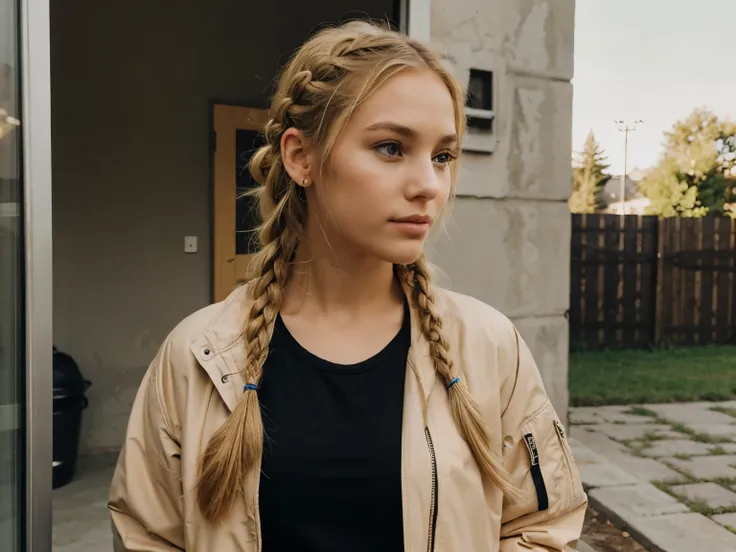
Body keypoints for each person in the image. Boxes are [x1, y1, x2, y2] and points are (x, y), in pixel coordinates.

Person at [108, 19, 587, 552]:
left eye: (443, 156)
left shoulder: (491, 348)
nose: (429, 185)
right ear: (300, 157)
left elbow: (543, 528)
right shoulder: (196, 358)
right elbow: (147, 537)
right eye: (390, 147)